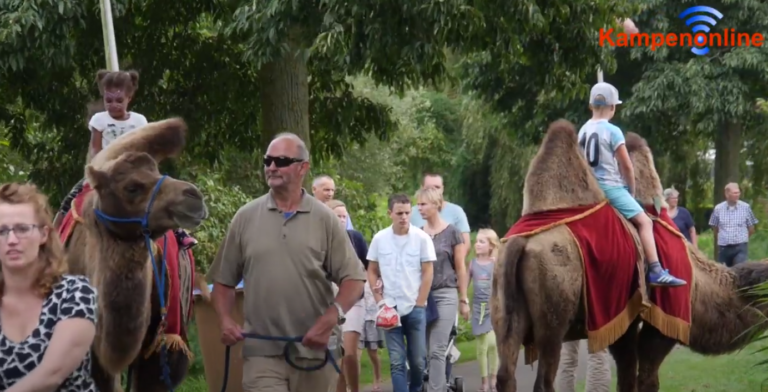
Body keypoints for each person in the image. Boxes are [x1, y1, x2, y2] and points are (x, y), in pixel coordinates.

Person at [210, 132, 366, 392]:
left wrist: (329, 320)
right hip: (261, 353)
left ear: (302, 167)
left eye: (281, 160)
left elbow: (354, 279)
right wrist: (225, 319)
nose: (271, 166)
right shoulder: (245, 217)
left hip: (316, 352)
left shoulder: (324, 219)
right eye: (267, 160)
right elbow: (223, 281)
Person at [54, 69, 198, 250]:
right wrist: (97, 169)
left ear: (129, 97)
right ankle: (55, 236)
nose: (113, 105)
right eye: (108, 100)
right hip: (106, 170)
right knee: (71, 198)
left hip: (136, 172)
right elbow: (95, 148)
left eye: (119, 100)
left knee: (162, 196)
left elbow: (146, 151)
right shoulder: (99, 120)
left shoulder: (139, 121)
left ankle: (179, 234)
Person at [577, 82, 686, 287]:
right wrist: (631, 190)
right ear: (612, 107)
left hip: (589, 190)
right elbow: (626, 166)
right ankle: (655, 270)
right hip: (610, 187)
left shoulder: (582, 130)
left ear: (591, 106)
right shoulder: (613, 130)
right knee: (646, 222)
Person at [0, 182, 97, 391]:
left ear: (43, 234)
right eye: (2, 231)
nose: (12, 240)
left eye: (23, 229)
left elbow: (51, 375)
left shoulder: (75, 292)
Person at [367, 193, 435, 392]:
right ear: (390, 213)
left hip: (414, 306)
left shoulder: (421, 238)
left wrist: (420, 302)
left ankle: (415, 388)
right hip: (389, 307)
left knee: (417, 361)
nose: (403, 217)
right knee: (397, 361)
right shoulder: (380, 239)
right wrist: (379, 301)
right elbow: (371, 270)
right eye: (399, 213)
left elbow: (428, 271)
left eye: (407, 212)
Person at [415, 187, 468, 392]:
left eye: (423, 204)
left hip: (446, 293)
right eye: (418, 204)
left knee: (437, 349)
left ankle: (436, 390)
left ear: (436, 204)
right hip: (423, 295)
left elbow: (460, 267)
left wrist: (464, 299)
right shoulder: (418, 233)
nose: (419, 208)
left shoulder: (453, 232)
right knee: (424, 350)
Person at [326, 199, 369, 392]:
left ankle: (355, 389)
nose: (342, 220)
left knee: (350, 353)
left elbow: (369, 268)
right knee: (337, 355)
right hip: (328, 302)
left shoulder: (356, 238)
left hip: (354, 302)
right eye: (338, 216)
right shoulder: (320, 241)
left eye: (345, 216)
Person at [465, 228, 500, 392]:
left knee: (493, 345)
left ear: (491, 246)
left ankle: (494, 379)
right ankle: (484, 381)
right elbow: (464, 286)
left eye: (481, 241)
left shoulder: (496, 263)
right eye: (476, 241)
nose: (477, 244)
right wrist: (463, 301)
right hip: (479, 309)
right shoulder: (472, 264)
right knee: (481, 347)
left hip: (494, 309)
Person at [410, 173, 471, 247]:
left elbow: (465, 243)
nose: (433, 191)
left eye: (437, 187)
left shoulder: (456, 211)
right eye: (429, 188)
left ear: (442, 189)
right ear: (422, 188)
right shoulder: (411, 213)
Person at [709, 182, 759, 266]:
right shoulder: (718, 208)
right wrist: (721, 239)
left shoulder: (745, 207)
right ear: (727, 194)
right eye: (734, 193)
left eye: (738, 192)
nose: (737, 195)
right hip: (724, 248)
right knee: (724, 274)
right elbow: (715, 227)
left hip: (740, 247)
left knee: (739, 272)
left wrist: (743, 239)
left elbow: (751, 228)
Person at [359, 277, 385, 392]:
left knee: (372, 352)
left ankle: (377, 377)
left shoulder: (378, 277)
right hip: (357, 316)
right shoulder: (357, 273)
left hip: (372, 317)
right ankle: (352, 384)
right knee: (355, 354)